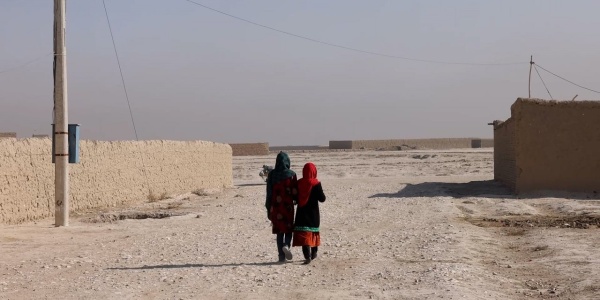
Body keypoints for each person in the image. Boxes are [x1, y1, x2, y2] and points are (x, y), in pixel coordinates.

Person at [265, 151, 298, 263]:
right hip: (288, 207)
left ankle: (281, 257)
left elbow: (269, 193)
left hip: (276, 207)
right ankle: (287, 245)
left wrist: (269, 207)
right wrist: (296, 200)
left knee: (279, 232)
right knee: (288, 229)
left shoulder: (272, 175)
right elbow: (294, 192)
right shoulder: (292, 174)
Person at [292, 162, 326, 264]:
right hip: (313, 214)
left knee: (303, 234)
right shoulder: (316, 184)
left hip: (301, 213)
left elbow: (295, 198)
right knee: (313, 232)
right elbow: (322, 199)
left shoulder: (298, 183)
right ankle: (314, 252)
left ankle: (307, 256)